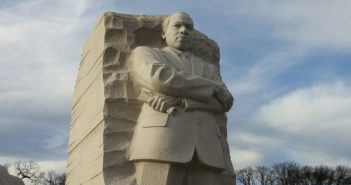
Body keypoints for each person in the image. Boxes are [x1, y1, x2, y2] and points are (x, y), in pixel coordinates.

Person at [127, 12, 234, 185]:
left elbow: (223, 103)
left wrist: (182, 101)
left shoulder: (209, 68)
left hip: (208, 151)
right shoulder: (147, 53)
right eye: (177, 26)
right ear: (163, 33)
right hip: (161, 143)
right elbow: (159, 78)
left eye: (189, 28)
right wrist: (212, 87)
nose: (184, 31)